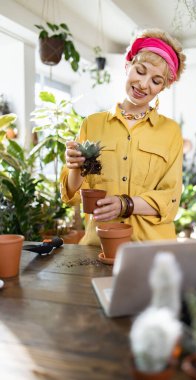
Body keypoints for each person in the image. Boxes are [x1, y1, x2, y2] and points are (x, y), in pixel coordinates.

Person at [60, 28, 186, 245]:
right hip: (98, 244)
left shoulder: (170, 131)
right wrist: (75, 167)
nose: (144, 84)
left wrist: (125, 204)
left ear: (163, 88)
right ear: (128, 66)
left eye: (156, 81)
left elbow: (170, 199)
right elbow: (71, 194)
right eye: (140, 71)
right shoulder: (92, 123)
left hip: (151, 248)